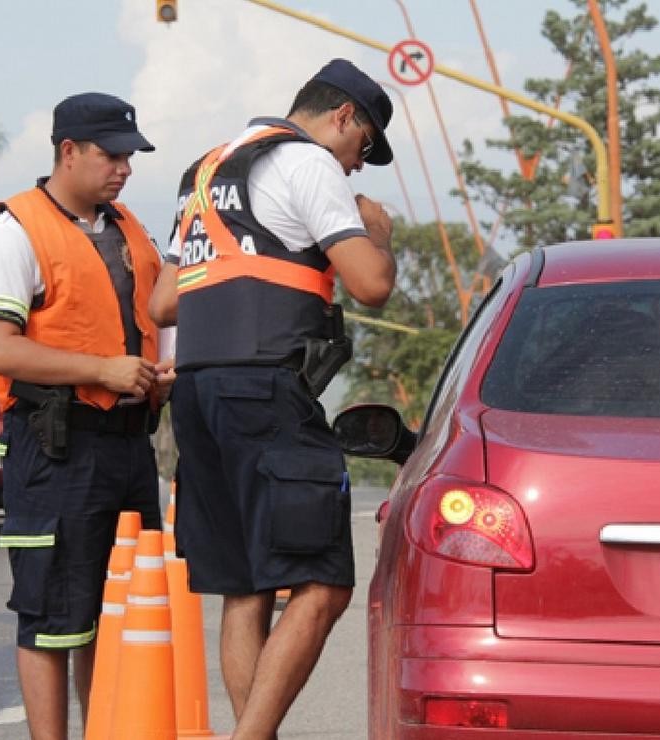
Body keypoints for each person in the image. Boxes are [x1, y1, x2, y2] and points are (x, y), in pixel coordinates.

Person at [149, 58, 396, 738]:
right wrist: (375, 231)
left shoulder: (203, 170)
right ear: (343, 116)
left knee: (245, 587)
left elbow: (164, 301)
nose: (354, 167)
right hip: (264, 390)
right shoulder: (306, 162)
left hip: (198, 395)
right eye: (363, 148)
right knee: (323, 582)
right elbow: (371, 283)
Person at [0, 91, 173, 740]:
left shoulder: (130, 229)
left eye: (130, 156)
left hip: (129, 447)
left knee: (119, 616)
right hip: (56, 447)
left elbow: (151, 314)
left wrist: (152, 378)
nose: (124, 168)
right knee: (54, 618)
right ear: (67, 151)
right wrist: (103, 371)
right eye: (111, 155)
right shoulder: (17, 228)